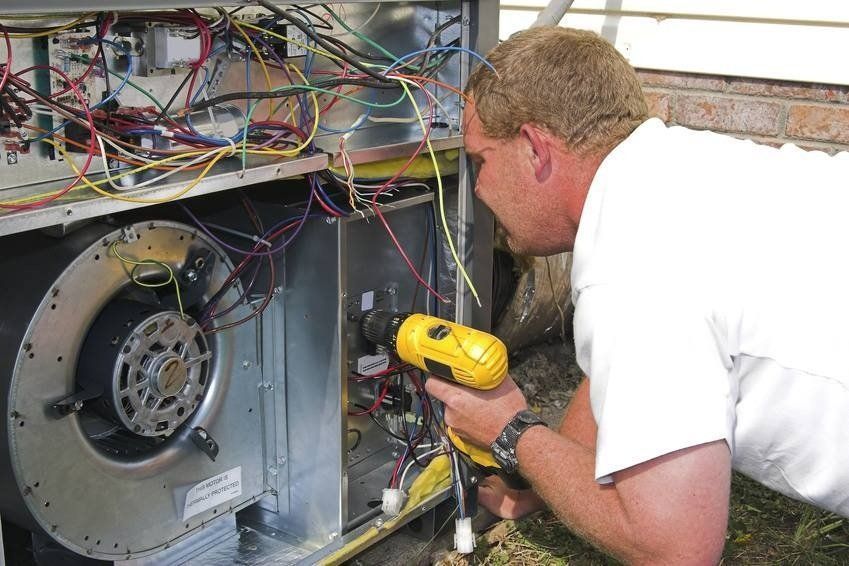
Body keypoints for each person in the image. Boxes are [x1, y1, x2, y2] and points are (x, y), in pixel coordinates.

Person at [424, 26, 849, 564]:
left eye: (481, 161)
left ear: (534, 148)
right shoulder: (676, 169)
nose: (478, 189)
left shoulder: (633, 268)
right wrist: (554, 478)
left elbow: (676, 550)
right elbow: (626, 376)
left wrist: (512, 433)